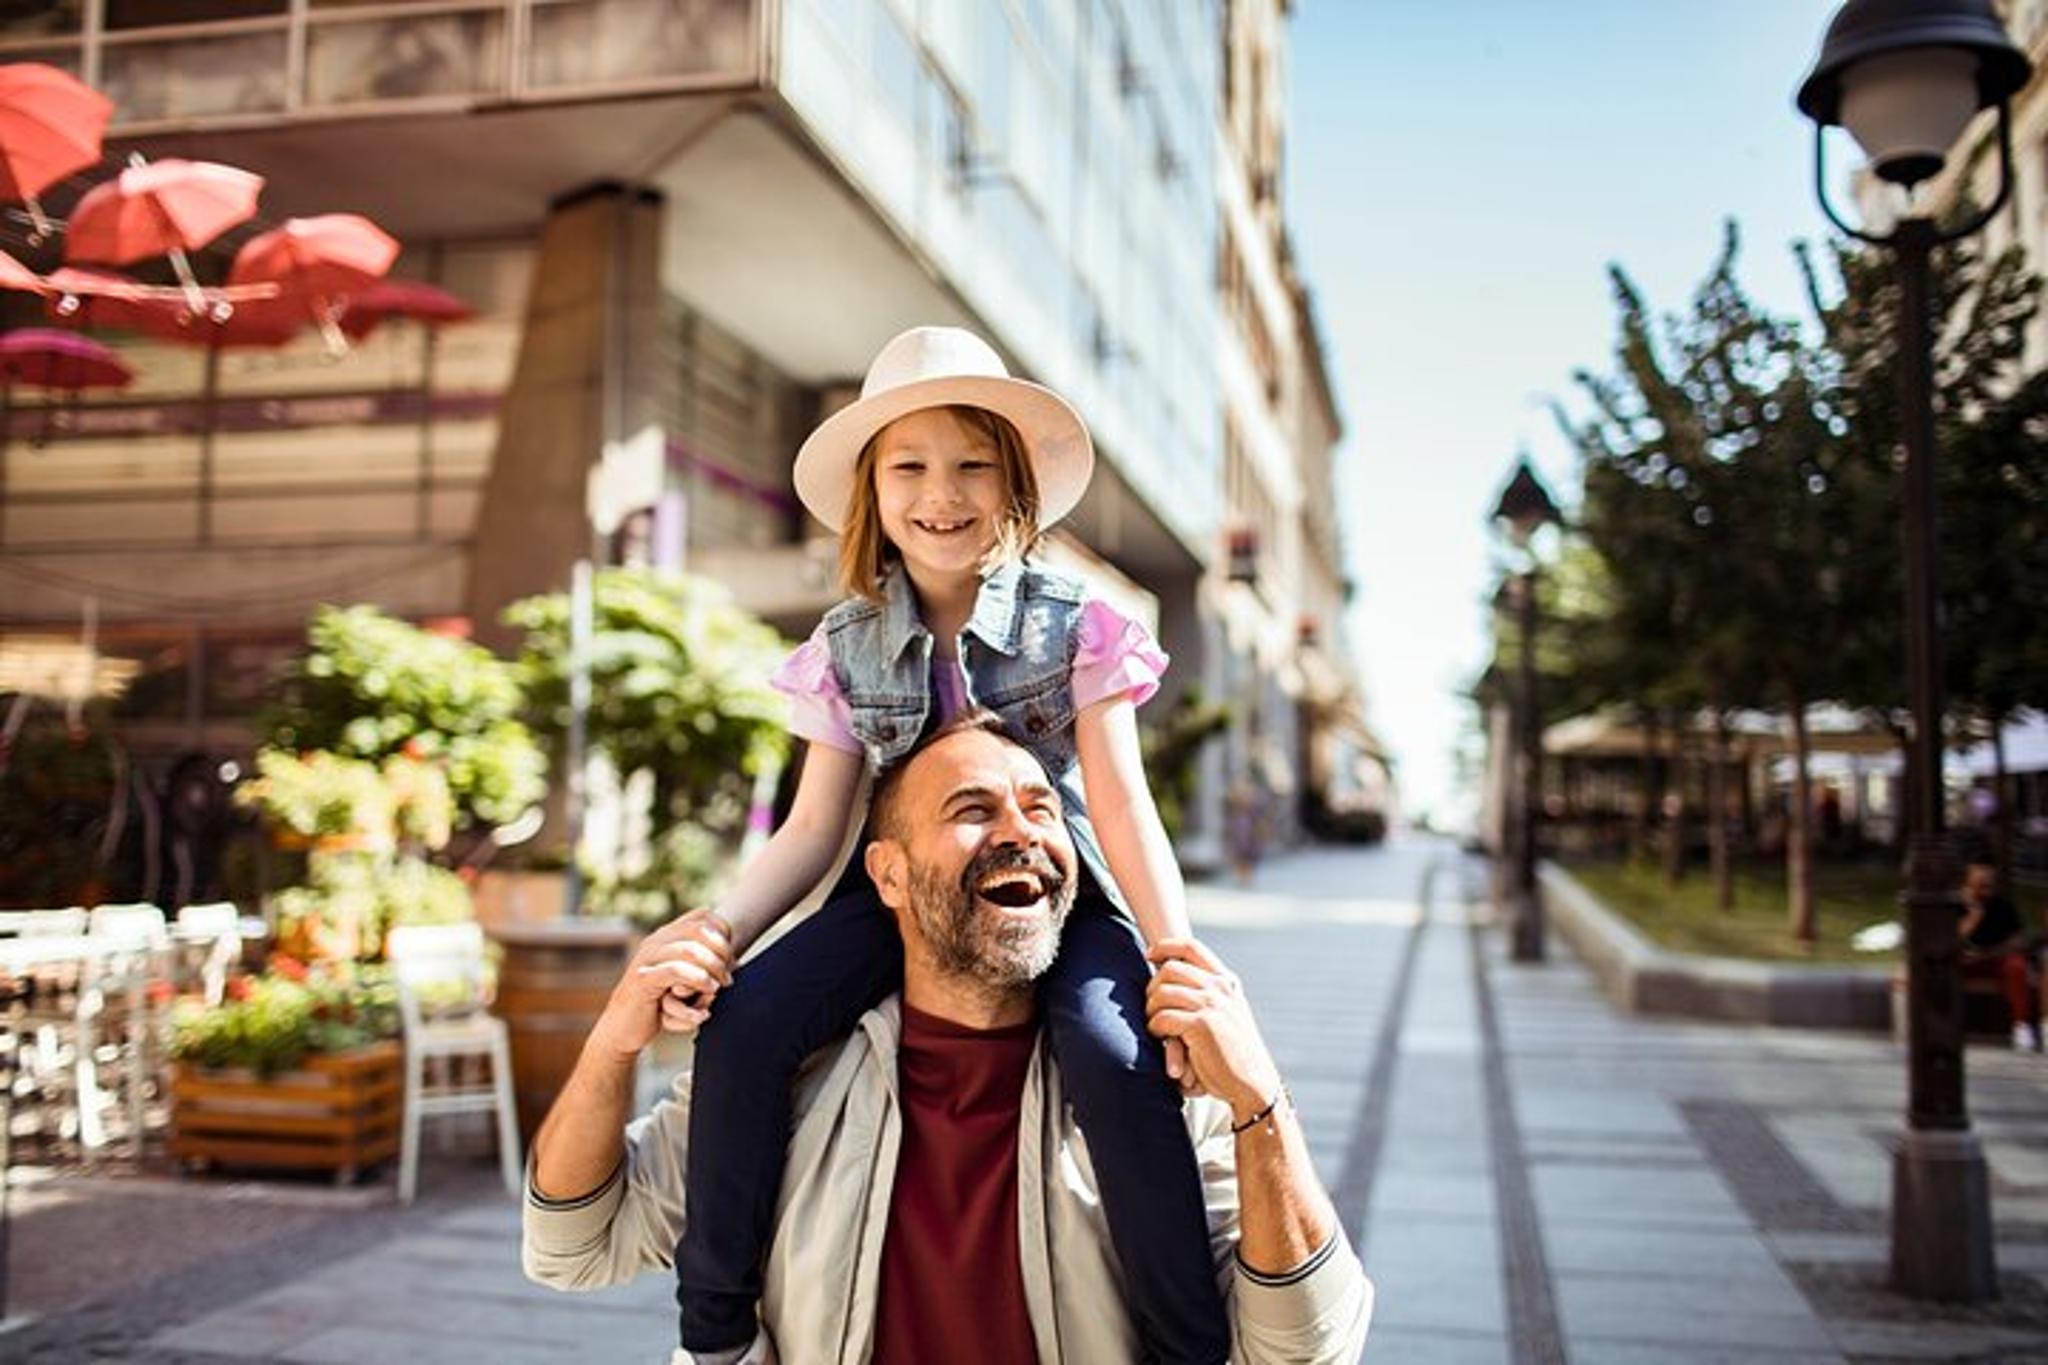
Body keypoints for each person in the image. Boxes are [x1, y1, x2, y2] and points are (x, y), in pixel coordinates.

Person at [667, 326, 1229, 1363]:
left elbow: (1118, 802)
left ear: (1013, 484)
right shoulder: (843, 645)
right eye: (910, 468)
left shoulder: (1077, 625)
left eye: (972, 464)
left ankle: (1186, 1347)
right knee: (744, 1024)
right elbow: (813, 826)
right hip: (900, 897)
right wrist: (718, 933)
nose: (942, 493)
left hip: (1054, 899)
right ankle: (713, 1335)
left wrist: (1173, 959)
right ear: (872, 493)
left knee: (1116, 1057)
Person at [524, 712, 1373, 1364]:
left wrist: (1261, 1101)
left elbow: (1308, 1348)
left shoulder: (1153, 1087)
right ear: (887, 873)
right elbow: (571, 1247)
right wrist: (612, 1043)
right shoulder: (795, 1080)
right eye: (972, 808)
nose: (1020, 831)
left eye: (1042, 807)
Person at [1958, 860, 2040, 1052]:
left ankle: (2021, 1026)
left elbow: (2019, 939)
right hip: (1964, 961)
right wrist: (1975, 914)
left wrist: (1992, 952)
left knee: (2016, 966)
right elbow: (1953, 938)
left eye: (1988, 885)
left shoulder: (2002, 906)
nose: (1984, 891)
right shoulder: (1956, 905)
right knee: (1942, 969)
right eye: (1979, 886)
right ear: (1967, 886)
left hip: (1995, 958)